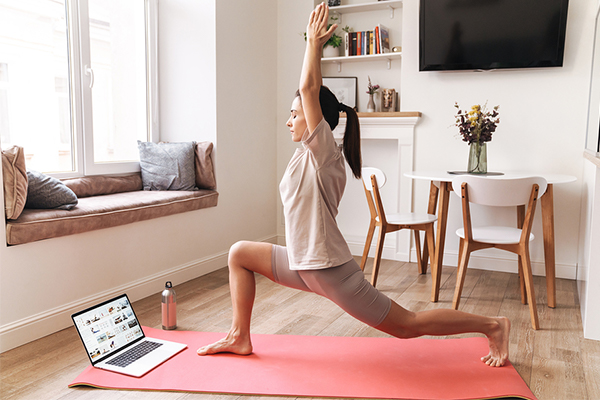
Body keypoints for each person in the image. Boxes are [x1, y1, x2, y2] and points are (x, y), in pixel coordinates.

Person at [197, 2, 510, 367]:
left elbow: (309, 88)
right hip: (302, 263)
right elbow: (307, 97)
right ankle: (239, 336)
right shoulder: (304, 153)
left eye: (294, 114)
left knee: (407, 325)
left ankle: (493, 325)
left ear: (317, 121)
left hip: (329, 270)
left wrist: (312, 45)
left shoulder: (325, 153)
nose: (289, 121)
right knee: (239, 253)